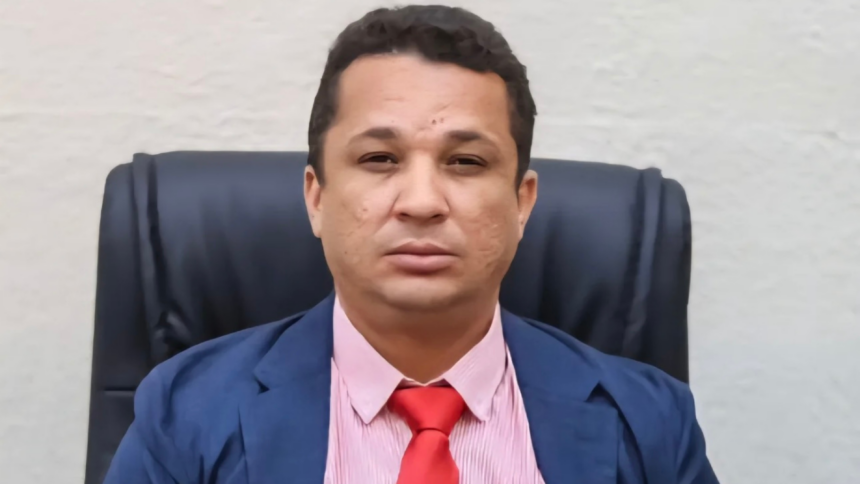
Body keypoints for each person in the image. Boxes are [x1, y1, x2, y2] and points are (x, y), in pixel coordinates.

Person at [104, 5, 718, 484]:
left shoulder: (649, 421)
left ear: (522, 202)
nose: (421, 202)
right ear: (316, 197)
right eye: (379, 158)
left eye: (466, 162)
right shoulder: (185, 411)